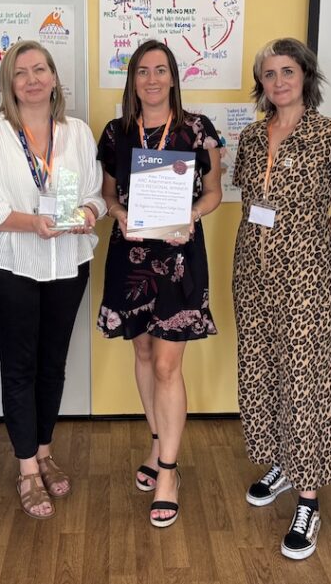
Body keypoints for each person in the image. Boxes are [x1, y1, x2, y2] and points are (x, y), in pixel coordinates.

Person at [0, 40, 104, 520]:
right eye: (21, 72)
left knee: (53, 363)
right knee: (20, 366)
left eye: (40, 69)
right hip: (9, 263)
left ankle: (44, 450)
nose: (32, 79)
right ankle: (26, 470)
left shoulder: (77, 132)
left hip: (66, 261)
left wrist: (87, 210)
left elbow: (97, 196)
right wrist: (32, 223)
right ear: (9, 83)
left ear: (54, 77)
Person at [232, 38, 331, 560]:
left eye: (288, 71)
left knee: (306, 380)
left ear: (306, 77)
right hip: (250, 272)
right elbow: (250, 203)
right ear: (261, 83)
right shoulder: (249, 136)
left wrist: (306, 254)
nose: (279, 82)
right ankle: (283, 464)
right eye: (269, 74)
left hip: (305, 276)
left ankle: (308, 497)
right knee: (259, 369)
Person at [97, 39, 223, 528]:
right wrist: (120, 213)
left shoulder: (197, 129)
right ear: (133, 80)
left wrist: (191, 213)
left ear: (173, 76)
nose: (151, 79)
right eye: (142, 71)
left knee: (169, 364)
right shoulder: (115, 132)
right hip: (130, 255)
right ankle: (157, 442)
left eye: (160, 70)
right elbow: (108, 194)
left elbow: (213, 193)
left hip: (178, 257)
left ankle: (168, 471)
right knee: (144, 355)